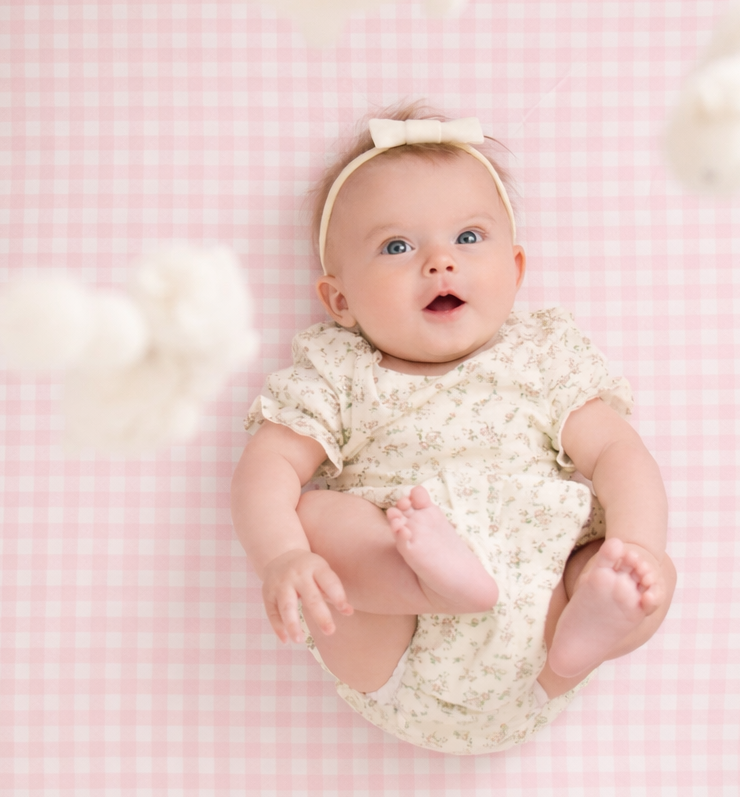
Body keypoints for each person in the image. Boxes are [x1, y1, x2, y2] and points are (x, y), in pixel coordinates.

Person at [230, 105, 677, 754]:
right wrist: (282, 555)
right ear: (340, 301)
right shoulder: (339, 371)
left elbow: (619, 454)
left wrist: (639, 549)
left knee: (637, 579)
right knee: (314, 513)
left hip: (543, 633)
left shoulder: (542, 357)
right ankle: (434, 584)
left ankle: (591, 630)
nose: (440, 262)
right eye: (397, 246)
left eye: (468, 238)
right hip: (393, 649)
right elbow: (265, 469)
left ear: (516, 269)